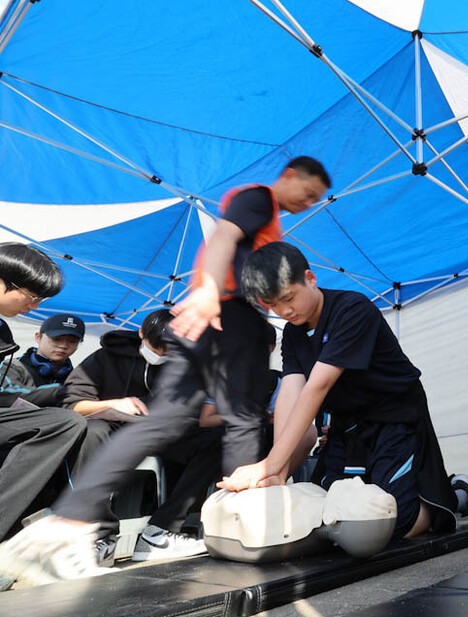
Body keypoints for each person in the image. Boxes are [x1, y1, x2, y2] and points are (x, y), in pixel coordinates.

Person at [0, 157, 330, 586]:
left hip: (210, 316)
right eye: (307, 193)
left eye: (315, 201)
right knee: (244, 421)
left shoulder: (260, 210)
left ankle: (66, 526)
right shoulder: (259, 200)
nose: (308, 203)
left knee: (164, 423)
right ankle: (246, 529)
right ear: (289, 176)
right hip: (231, 314)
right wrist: (211, 290)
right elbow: (224, 237)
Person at [218, 241, 465, 539]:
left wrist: (269, 464)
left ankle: (459, 495)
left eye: (288, 298)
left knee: (394, 523)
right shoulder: (294, 334)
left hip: (395, 417)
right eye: (273, 305)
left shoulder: (352, 309)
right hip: (347, 426)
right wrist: (279, 471)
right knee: (327, 513)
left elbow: (316, 387)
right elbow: (290, 393)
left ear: (310, 279)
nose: (284, 311)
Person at [58, 309, 222, 564]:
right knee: (91, 431)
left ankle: (161, 531)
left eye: (168, 353)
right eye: (155, 347)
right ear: (141, 333)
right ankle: (99, 535)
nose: (159, 356)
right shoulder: (106, 358)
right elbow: (71, 404)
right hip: (108, 428)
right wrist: (114, 404)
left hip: (158, 433)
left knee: (214, 437)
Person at [0, 243, 89, 548]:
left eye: (71, 342)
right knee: (65, 422)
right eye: (33, 296)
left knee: (68, 422)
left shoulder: (3, 334)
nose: (34, 306)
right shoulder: (19, 359)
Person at [0, 313, 84, 407]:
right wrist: (63, 391)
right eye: (56, 339)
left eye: (72, 341)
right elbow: (6, 395)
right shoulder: (11, 366)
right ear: (38, 337)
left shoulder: (76, 377)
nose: (63, 345)